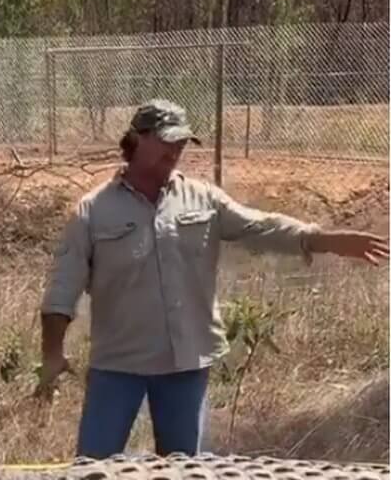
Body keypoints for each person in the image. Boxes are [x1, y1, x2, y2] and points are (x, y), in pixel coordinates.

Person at [36, 98, 389, 459]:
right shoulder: (94, 211)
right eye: (167, 140)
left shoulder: (202, 199)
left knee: (186, 476)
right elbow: (63, 289)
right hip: (118, 367)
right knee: (93, 473)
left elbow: (259, 226)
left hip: (185, 365)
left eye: (182, 142)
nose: (176, 150)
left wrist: (321, 239)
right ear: (137, 140)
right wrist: (52, 355)